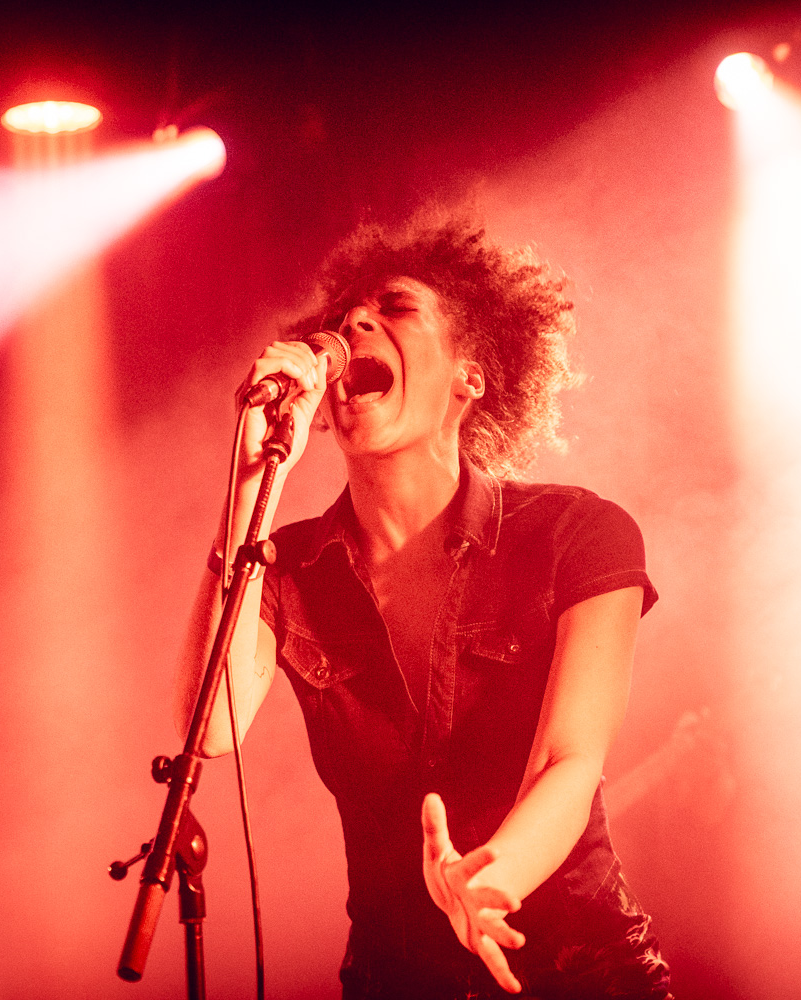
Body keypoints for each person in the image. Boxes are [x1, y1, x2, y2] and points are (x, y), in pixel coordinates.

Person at [174, 217, 671, 999]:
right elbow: (210, 728)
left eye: (395, 308)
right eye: (341, 318)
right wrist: (247, 484)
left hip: (583, 973)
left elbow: (567, 760)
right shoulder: (286, 569)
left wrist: (489, 882)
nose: (353, 324)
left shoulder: (576, 533)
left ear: (471, 376)